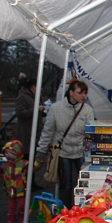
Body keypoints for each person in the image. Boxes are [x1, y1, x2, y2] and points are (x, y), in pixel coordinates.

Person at [36, 80, 94, 208]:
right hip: (62, 152)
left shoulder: (87, 109)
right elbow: (48, 131)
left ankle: (83, 209)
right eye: (80, 92)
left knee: (85, 182)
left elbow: (90, 133)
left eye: (85, 93)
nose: (83, 96)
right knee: (65, 184)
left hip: (80, 151)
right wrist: (41, 150)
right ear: (71, 92)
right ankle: (66, 211)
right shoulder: (56, 108)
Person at [0, 140, 42, 223]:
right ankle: (11, 219)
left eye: (9, 153)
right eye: (6, 153)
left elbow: (33, 169)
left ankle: (22, 218)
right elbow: (3, 176)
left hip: (21, 189)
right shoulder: (5, 165)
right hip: (10, 189)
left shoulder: (23, 163)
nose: (7, 155)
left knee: (22, 205)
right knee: (11, 206)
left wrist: (38, 164)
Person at [15, 78, 45, 190]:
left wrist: (43, 111)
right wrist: (36, 109)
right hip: (26, 133)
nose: (41, 89)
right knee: (26, 158)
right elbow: (20, 113)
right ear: (33, 86)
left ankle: (31, 182)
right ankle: (24, 182)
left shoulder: (36, 97)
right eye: (39, 86)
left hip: (35, 132)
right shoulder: (22, 97)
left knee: (32, 159)